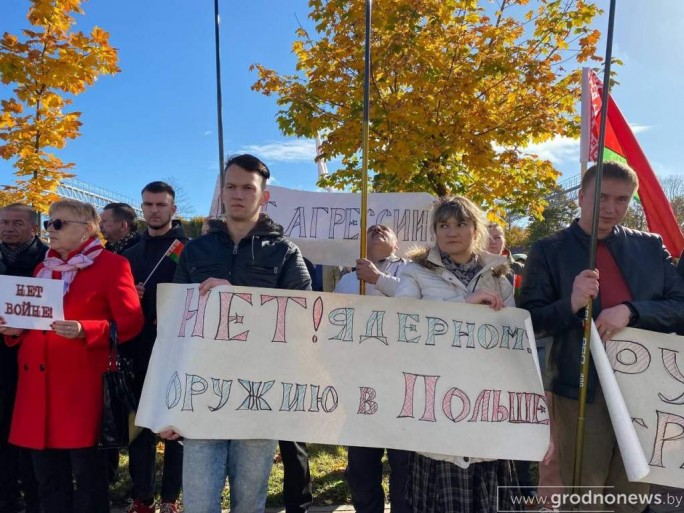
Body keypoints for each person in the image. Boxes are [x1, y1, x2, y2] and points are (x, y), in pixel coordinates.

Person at [519, 161, 684, 513]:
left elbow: (680, 304)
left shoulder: (650, 247)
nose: (611, 209)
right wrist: (572, 303)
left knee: (632, 494)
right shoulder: (548, 250)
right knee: (586, 496)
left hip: (642, 390)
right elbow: (530, 320)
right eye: (603, 198)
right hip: (580, 390)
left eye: (622, 200)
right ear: (581, 197)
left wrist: (632, 310)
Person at [165, 154, 311, 513]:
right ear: (221, 193)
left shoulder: (286, 253)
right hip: (202, 392)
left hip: (258, 394)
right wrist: (165, 402)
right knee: (199, 503)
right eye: (231, 186)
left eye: (248, 187)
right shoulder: (194, 250)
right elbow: (174, 329)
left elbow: (304, 322)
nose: (238, 194)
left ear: (264, 195)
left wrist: (238, 298)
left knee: (249, 503)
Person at [0, 199, 144, 513]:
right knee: (47, 478)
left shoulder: (112, 266)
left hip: (80, 389)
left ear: (86, 230)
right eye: (49, 223)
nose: (49, 229)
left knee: (88, 476)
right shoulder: (43, 267)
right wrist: (14, 330)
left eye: (58, 223)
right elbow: (34, 322)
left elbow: (132, 323)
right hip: (37, 388)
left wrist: (85, 329)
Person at [394, 196, 519, 513]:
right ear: (434, 231)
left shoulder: (498, 275)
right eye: (443, 225)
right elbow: (405, 320)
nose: (452, 231)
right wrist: (465, 306)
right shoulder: (415, 273)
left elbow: (513, 337)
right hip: (436, 398)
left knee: (485, 493)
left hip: (485, 401)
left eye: (461, 223)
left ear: (475, 229)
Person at [121, 182, 188, 513]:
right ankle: (142, 496)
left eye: (161, 204)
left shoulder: (190, 249)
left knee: (177, 429)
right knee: (142, 429)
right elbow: (117, 309)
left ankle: (171, 498)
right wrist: (130, 299)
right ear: (141, 208)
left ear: (173, 209)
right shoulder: (129, 255)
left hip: (178, 352)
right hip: (140, 352)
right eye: (148, 204)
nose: (154, 210)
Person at [335, 224, 410, 513]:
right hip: (360, 380)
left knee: (404, 463)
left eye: (385, 230)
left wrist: (377, 279)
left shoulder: (413, 272)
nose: (377, 230)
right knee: (362, 465)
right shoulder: (345, 281)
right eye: (370, 230)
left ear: (397, 242)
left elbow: (417, 304)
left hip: (402, 381)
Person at [0, 204, 46, 513]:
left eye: (17, 222)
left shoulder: (50, 261)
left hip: (36, 359)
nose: (8, 228)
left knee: (32, 433)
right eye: (3, 222)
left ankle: (36, 497)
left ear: (34, 227)